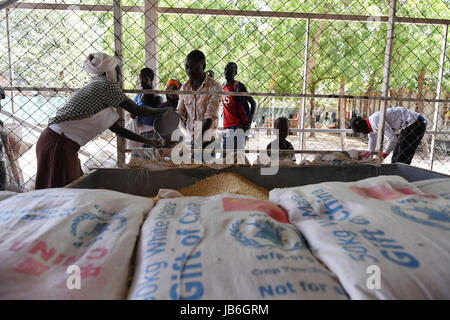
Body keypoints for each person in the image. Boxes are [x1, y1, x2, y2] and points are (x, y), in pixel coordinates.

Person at [35, 52, 168, 189]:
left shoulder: (96, 88)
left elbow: (117, 129)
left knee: (65, 190)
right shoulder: (106, 86)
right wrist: (164, 110)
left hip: (52, 141)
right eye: (117, 70)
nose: (119, 74)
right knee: (65, 194)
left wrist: (148, 141)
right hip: (59, 144)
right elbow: (137, 110)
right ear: (109, 72)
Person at [176, 50, 221, 149]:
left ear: (203, 66)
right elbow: (180, 114)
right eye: (187, 67)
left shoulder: (214, 87)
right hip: (190, 141)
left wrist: (198, 139)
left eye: (194, 67)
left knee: (206, 164)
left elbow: (210, 116)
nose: (189, 71)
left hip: (208, 142)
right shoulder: (185, 88)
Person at [350, 106, 427, 164]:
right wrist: (367, 160)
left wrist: (381, 157)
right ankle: (396, 179)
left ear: (362, 127)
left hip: (416, 123)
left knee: (401, 159)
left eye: (360, 131)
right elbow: (372, 145)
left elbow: (393, 140)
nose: (362, 133)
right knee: (395, 158)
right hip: (409, 125)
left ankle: (399, 182)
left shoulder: (375, 120)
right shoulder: (370, 127)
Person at [222, 62, 257, 152]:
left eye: (231, 70)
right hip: (228, 126)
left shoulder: (238, 86)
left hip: (239, 125)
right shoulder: (223, 86)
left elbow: (253, 103)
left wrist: (249, 122)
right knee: (226, 155)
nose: (227, 72)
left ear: (235, 73)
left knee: (237, 154)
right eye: (226, 70)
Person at [126, 67, 163, 148]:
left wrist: (134, 113)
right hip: (139, 125)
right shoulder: (141, 92)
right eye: (140, 78)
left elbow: (140, 110)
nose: (141, 81)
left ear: (150, 79)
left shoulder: (150, 94)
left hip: (147, 129)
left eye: (144, 79)